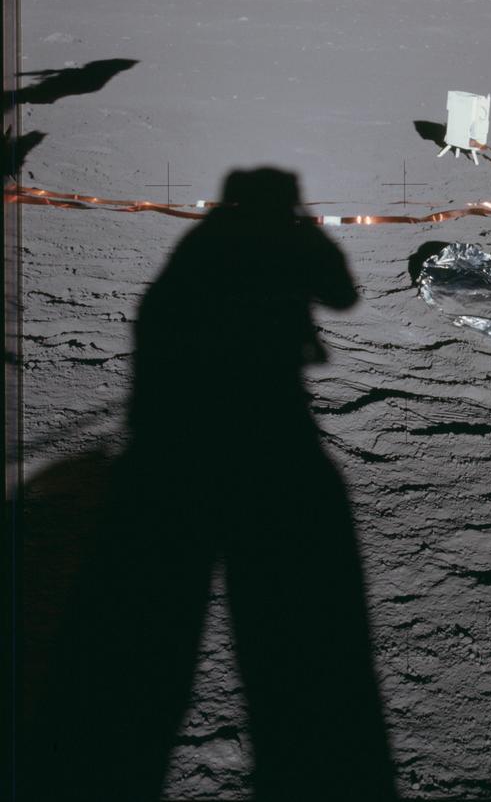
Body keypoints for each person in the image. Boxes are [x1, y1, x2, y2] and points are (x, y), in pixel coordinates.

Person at [30, 168, 396, 801]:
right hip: (270, 446)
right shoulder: (283, 246)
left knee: (147, 657)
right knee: (295, 651)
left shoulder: (192, 255)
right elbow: (342, 296)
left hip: (176, 451)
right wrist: (309, 234)